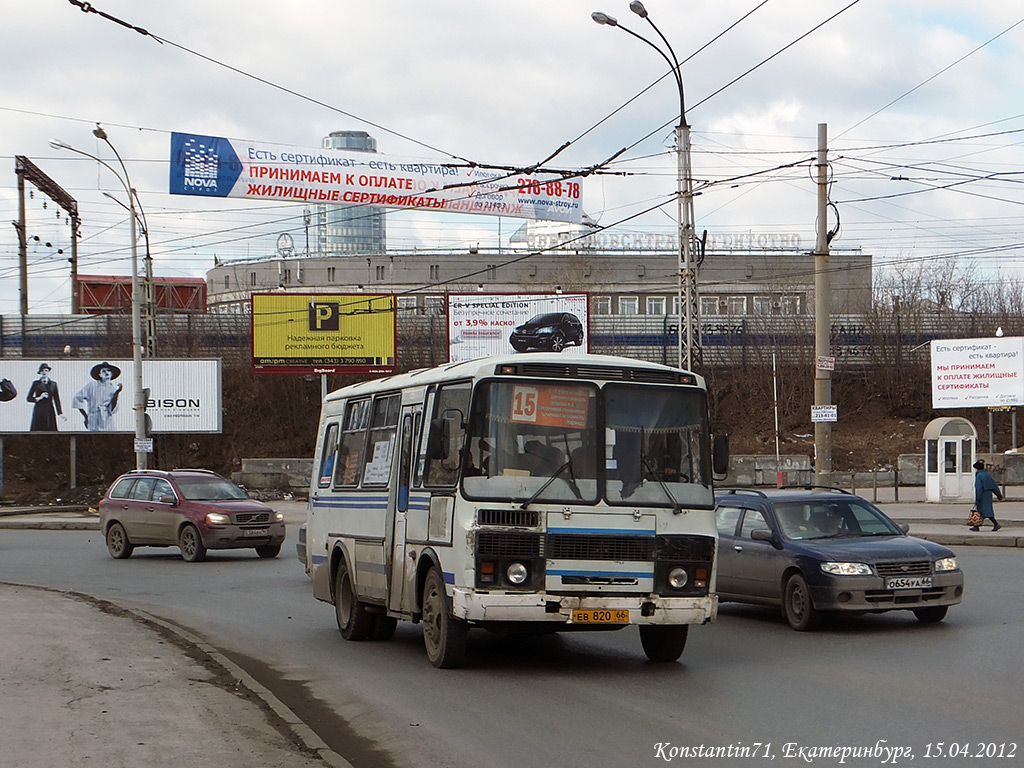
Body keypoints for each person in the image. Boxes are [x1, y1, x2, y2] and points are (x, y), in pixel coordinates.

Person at [72, 362, 123, 431]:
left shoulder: (112, 388)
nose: (106, 372)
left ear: (112, 374)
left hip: (107, 419)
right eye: (103, 371)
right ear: (99, 374)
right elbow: (77, 398)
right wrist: (85, 416)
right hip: (93, 417)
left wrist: (117, 393)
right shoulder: (92, 385)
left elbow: (112, 408)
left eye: (109, 370)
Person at [27, 363, 64, 431]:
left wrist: (60, 413)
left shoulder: (53, 384)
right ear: (40, 372)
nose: (44, 372)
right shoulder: (36, 383)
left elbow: (56, 399)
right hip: (39, 410)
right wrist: (39, 398)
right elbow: (29, 398)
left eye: (46, 370)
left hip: (49, 410)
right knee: (38, 430)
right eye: (42, 371)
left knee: (50, 429)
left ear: (48, 372)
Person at [971, 460, 1003, 531]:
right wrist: (999, 495)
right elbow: (994, 486)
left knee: (983, 511)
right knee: (984, 510)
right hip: (988, 494)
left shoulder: (979, 476)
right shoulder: (987, 475)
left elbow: (979, 488)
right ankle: (976, 526)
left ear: (977, 468)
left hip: (982, 495)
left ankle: (995, 524)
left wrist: (978, 498)